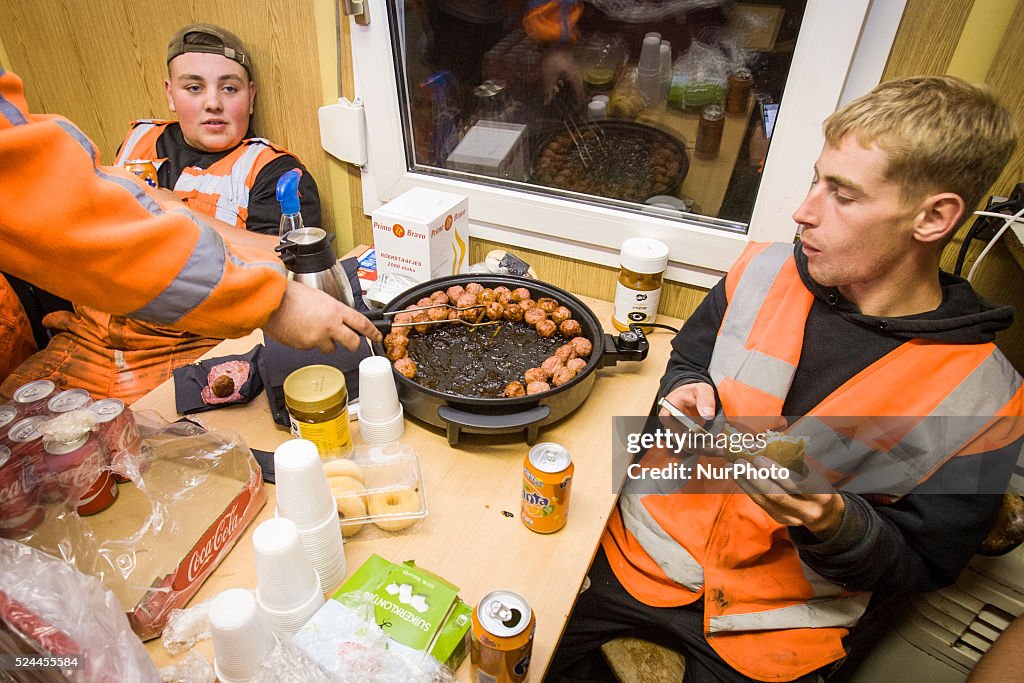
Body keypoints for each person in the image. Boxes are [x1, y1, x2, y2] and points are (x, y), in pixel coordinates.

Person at [546, 75, 1024, 682]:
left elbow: (927, 565)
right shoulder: (762, 269)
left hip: (775, 625)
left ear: (934, 218)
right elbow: (688, 360)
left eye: (843, 195)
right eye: (815, 180)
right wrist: (684, 391)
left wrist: (832, 522)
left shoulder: (992, 397)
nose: (804, 211)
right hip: (638, 555)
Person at [1, 24, 330, 401]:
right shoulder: (137, 140)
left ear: (250, 97)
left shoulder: (273, 169)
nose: (213, 103)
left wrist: (179, 211)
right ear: (169, 93)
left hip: (183, 349)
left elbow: (294, 262)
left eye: (230, 88)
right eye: (194, 87)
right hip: (87, 341)